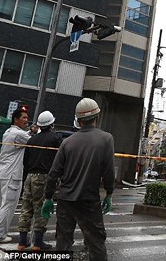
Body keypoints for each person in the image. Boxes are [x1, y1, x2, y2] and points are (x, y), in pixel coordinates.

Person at [42, 98, 114, 260]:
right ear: (97, 117)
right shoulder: (106, 139)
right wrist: (109, 193)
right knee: (96, 243)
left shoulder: (67, 142)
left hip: (65, 200)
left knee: (63, 242)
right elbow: (108, 170)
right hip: (89, 200)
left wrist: (48, 197)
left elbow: (54, 173)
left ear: (78, 120)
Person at [17, 110, 62, 251]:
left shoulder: (32, 140)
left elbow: (25, 161)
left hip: (30, 176)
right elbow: (59, 160)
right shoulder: (55, 139)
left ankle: (22, 242)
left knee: (26, 208)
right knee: (41, 208)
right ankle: (38, 243)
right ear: (51, 124)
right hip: (44, 177)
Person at [0, 108, 36, 244]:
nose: (26, 120)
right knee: (8, 205)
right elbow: (33, 141)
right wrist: (36, 132)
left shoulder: (8, 132)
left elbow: (24, 137)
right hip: (11, 174)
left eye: (26, 117)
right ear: (15, 119)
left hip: (1, 171)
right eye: (23, 117)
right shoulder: (18, 134)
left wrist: (30, 132)